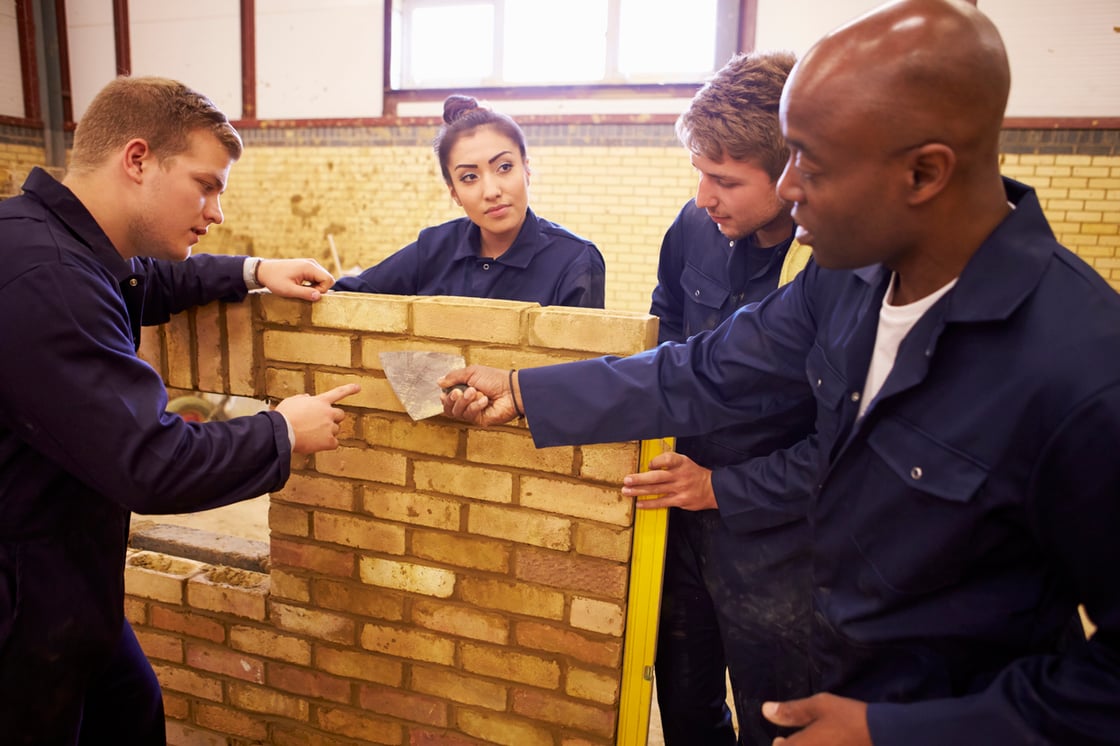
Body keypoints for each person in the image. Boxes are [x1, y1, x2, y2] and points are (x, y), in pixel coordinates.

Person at [440, 1, 1120, 744]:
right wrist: (523, 387)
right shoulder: (845, 281)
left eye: (811, 165)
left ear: (924, 172)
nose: (788, 189)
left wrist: (897, 731)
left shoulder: (1083, 371)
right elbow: (704, 369)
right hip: (804, 657)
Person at [0, 76, 361, 745]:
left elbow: (146, 281)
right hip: (21, 604)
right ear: (137, 160)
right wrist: (284, 431)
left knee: (131, 710)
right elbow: (151, 461)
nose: (217, 210)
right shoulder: (49, 278)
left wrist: (253, 270)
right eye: (206, 184)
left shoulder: (43, 235)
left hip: (68, 579)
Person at [630, 51, 815, 746]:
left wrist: (722, 486)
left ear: (791, 171)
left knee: (778, 715)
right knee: (684, 701)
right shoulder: (691, 229)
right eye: (699, 173)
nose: (704, 196)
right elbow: (667, 337)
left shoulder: (829, 266)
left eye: (725, 180)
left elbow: (844, 443)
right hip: (678, 514)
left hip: (777, 538)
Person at [333, 94, 606, 308]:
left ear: (527, 169)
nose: (491, 191)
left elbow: (580, 373)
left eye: (504, 167)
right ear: (454, 193)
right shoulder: (433, 250)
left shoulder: (576, 260)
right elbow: (347, 297)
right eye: (469, 177)